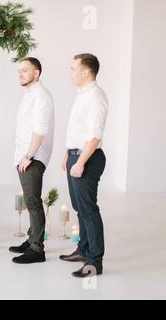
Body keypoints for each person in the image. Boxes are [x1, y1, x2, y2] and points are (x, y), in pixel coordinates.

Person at [60, 53, 109, 278]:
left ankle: (94, 262)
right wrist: (67, 155)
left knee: (89, 210)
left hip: (87, 159)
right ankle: (83, 249)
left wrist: (80, 161)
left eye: (73, 68)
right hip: (75, 156)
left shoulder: (95, 96)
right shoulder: (81, 95)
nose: (71, 72)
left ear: (86, 71)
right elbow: (76, 132)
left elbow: (94, 136)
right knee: (80, 209)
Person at [10, 57, 55, 264]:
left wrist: (29, 156)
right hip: (24, 156)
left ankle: (37, 250)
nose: (20, 74)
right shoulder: (29, 95)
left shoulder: (41, 96)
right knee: (30, 200)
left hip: (33, 157)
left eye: (24, 71)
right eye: (19, 71)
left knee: (33, 202)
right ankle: (31, 240)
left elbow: (40, 129)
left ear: (36, 73)